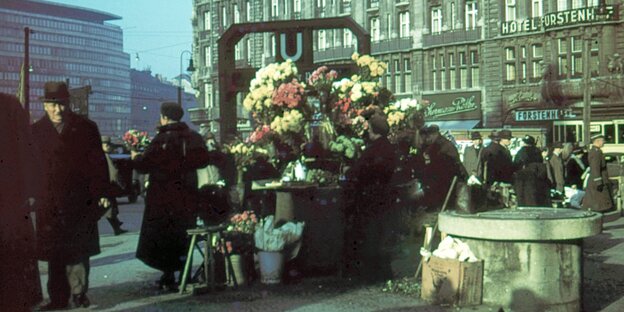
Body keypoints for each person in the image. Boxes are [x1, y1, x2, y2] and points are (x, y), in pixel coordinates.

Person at [31, 81, 110, 310]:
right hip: (49, 202)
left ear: (69, 104)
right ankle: (57, 298)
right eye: (53, 105)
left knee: (78, 250)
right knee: (55, 253)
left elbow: (98, 164)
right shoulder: (35, 131)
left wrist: (102, 191)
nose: (58, 110)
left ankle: (78, 293)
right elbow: (30, 167)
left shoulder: (86, 128)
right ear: (45, 105)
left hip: (79, 199)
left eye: (62, 105)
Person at [131, 102, 209, 291]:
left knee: (164, 236)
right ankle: (185, 274)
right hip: (187, 195)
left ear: (164, 117)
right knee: (184, 235)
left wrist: (135, 157)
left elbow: (145, 164)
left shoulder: (161, 139)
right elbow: (203, 161)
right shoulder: (194, 137)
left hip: (163, 197)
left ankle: (168, 276)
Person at [0, 93, 43, 311]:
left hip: (10, 200)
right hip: (11, 202)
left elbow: (26, 149)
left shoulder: (9, 106)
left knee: (13, 265)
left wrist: (32, 190)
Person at [344, 113, 397, 282]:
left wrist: (348, 170)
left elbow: (360, 171)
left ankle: (371, 272)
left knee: (371, 235)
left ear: (373, 130)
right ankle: (384, 271)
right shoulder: (389, 147)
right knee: (382, 234)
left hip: (371, 197)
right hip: (386, 196)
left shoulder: (373, 149)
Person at [420, 125, 467, 210]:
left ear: (434, 134)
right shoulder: (441, 143)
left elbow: (439, 164)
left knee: (447, 203)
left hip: (449, 177)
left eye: (429, 136)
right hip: (451, 176)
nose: (427, 139)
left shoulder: (440, 145)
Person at [101, 135, 128, 235]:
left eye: (109, 145)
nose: (108, 147)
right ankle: (117, 227)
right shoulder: (105, 157)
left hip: (106, 186)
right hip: (107, 186)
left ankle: (117, 226)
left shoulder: (102, 156)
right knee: (108, 209)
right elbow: (114, 173)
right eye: (106, 145)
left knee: (111, 208)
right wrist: (119, 184)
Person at [513, 135, 550, 206]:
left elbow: (516, 166)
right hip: (538, 180)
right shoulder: (538, 152)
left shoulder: (522, 152)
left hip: (525, 180)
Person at [582, 134, 614, 212]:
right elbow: (595, 168)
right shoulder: (595, 153)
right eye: (603, 140)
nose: (604, 142)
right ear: (598, 141)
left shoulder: (597, 151)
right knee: (598, 203)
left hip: (599, 179)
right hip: (596, 181)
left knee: (599, 202)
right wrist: (598, 181)